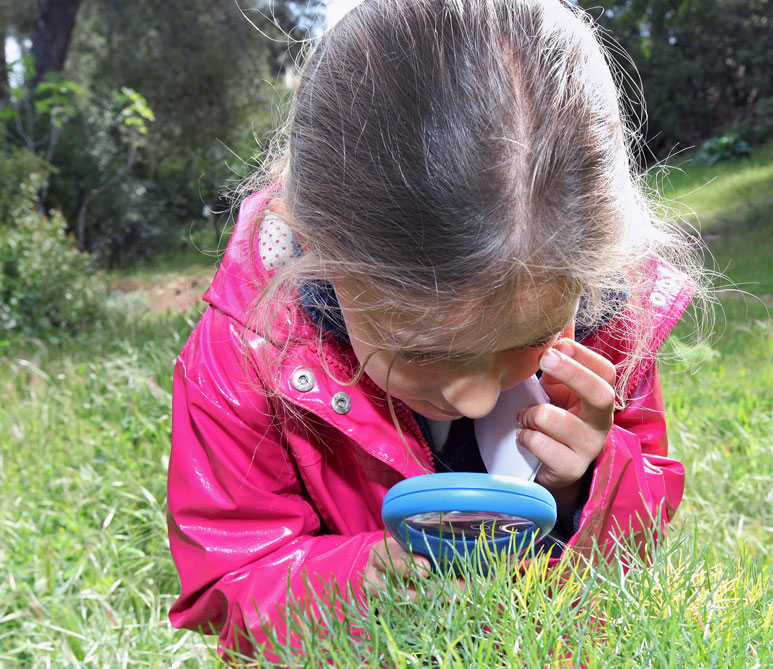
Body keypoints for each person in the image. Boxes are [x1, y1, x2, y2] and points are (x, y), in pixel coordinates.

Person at [167, 0, 707, 658]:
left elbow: (638, 544)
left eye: (528, 340)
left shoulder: (607, 318)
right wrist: (360, 584)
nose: (477, 397)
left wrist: (581, 485)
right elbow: (227, 581)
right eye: (420, 351)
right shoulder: (244, 354)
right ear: (317, 248)